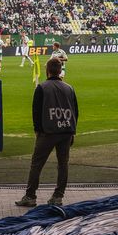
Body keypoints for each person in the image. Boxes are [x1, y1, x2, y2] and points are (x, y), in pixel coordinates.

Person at [15, 58, 78, 208]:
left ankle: (30, 196)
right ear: (60, 70)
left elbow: (36, 112)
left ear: (47, 70)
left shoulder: (42, 87)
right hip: (66, 131)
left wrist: (38, 131)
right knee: (63, 164)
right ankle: (58, 197)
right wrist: (72, 131)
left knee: (36, 164)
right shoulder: (69, 88)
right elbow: (76, 111)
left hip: (48, 132)